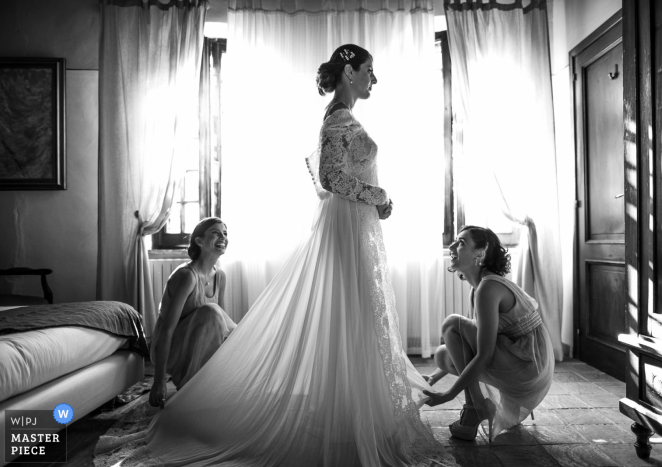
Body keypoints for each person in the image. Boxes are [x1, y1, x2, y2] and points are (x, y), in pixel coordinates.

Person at [99, 44, 451, 467]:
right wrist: (380, 195)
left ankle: (351, 416)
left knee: (358, 319)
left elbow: (328, 179)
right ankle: (352, 423)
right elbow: (329, 177)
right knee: (355, 316)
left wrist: (376, 204)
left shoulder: (344, 118)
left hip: (357, 228)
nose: (374, 80)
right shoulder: (338, 117)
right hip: (349, 230)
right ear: (348, 71)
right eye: (369, 70)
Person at [422, 226, 554, 442]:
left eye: (461, 242)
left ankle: (475, 407)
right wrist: (434, 378)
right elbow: (465, 344)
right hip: (522, 360)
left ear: (480, 253)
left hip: (528, 366)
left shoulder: (489, 288)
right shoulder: (479, 288)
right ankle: (475, 408)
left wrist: (448, 395)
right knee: (444, 355)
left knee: (451, 323)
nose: (453, 246)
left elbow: (484, 354)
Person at [148, 217, 237, 408]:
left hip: (200, 345)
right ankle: (189, 383)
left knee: (230, 327)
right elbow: (166, 331)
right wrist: (158, 382)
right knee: (212, 311)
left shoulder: (220, 276)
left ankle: (208, 383)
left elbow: (223, 327)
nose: (223, 237)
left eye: (225, 233)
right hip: (172, 349)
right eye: (216, 233)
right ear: (199, 241)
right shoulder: (187, 276)